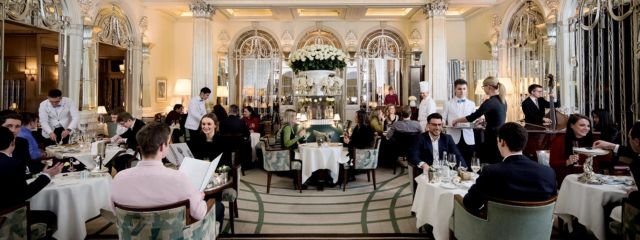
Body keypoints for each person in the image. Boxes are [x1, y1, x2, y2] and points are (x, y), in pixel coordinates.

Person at [110, 122, 224, 227]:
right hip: (175, 235)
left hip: (133, 235)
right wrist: (199, 197)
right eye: (168, 143)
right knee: (218, 207)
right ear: (162, 147)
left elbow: (114, 212)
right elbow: (199, 213)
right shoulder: (179, 178)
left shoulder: (119, 178)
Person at [462, 122, 557, 215]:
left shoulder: (491, 172)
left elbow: (470, 203)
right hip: (538, 229)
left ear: (502, 142)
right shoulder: (548, 172)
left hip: (496, 229)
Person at [0, 126, 63, 238]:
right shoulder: (13, 164)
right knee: (49, 216)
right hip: (8, 218)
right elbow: (25, 193)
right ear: (12, 142)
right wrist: (47, 175)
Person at [452, 76, 507, 164]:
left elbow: (472, 117)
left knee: (489, 160)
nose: (483, 89)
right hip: (500, 134)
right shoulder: (502, 100)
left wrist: (457, 120)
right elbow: (497, 117)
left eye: (483, 87)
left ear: (488, 87)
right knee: (497, 159)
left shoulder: (489, 102)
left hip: (491, 135)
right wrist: (484, 121)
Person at [593, 121, 640, 205]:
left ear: (636, 141)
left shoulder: (637, 164)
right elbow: (633, 152)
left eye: (629, 138)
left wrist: (632, 194)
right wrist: (612, 146)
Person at [549, 114, 596, 183]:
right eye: (582, 125)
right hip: (567, 178)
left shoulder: (592, 140)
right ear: (571, 125)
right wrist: (567, 162)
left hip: (588, 178)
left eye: (588, 126)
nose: (586, 128)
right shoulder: (560, 140)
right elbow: (552, 164)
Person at [443, 79, 476, 166]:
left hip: (468, 137)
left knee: (468, 162)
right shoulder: (448, 103)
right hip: (453, 136)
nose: (462, 91)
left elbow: (474, 120)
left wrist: (478, 121)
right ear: (455, 89)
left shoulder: (472, 104)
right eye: (459, 89)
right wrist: (444, 124)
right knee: (453, 161)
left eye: (464, 89)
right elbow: (443, 118)